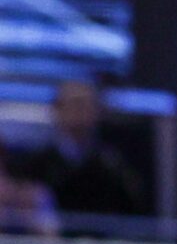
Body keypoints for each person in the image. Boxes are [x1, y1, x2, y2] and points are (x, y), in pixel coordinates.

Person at [10, 78, 147, 217]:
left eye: (87, 105)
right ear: (57, 109)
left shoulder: (113, 165)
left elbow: (132, 205)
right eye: (75, 103)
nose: (80, 112)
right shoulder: (36, 165)